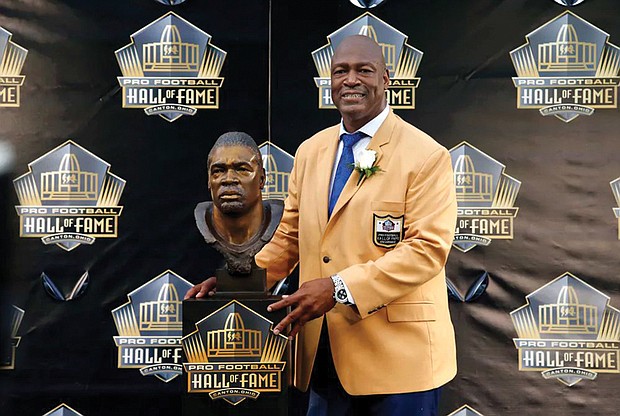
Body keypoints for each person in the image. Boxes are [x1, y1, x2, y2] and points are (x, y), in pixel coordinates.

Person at [185, 35, 457, 415]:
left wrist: (339, 288)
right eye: (340, 71)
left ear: (387, 79)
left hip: (399, 362)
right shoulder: (311, 151)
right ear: (329, 81)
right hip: (324, 354)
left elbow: (426, 251)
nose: (351, 80)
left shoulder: (426, 155)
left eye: (365, 70)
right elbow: (289, 237)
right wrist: (239, 280)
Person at [185, 131, 283, 297]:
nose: (229, 179)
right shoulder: (204, 220)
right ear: (209, 180)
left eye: (242, 169)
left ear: (262, 179)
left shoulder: (277, 217)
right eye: (218, 171)